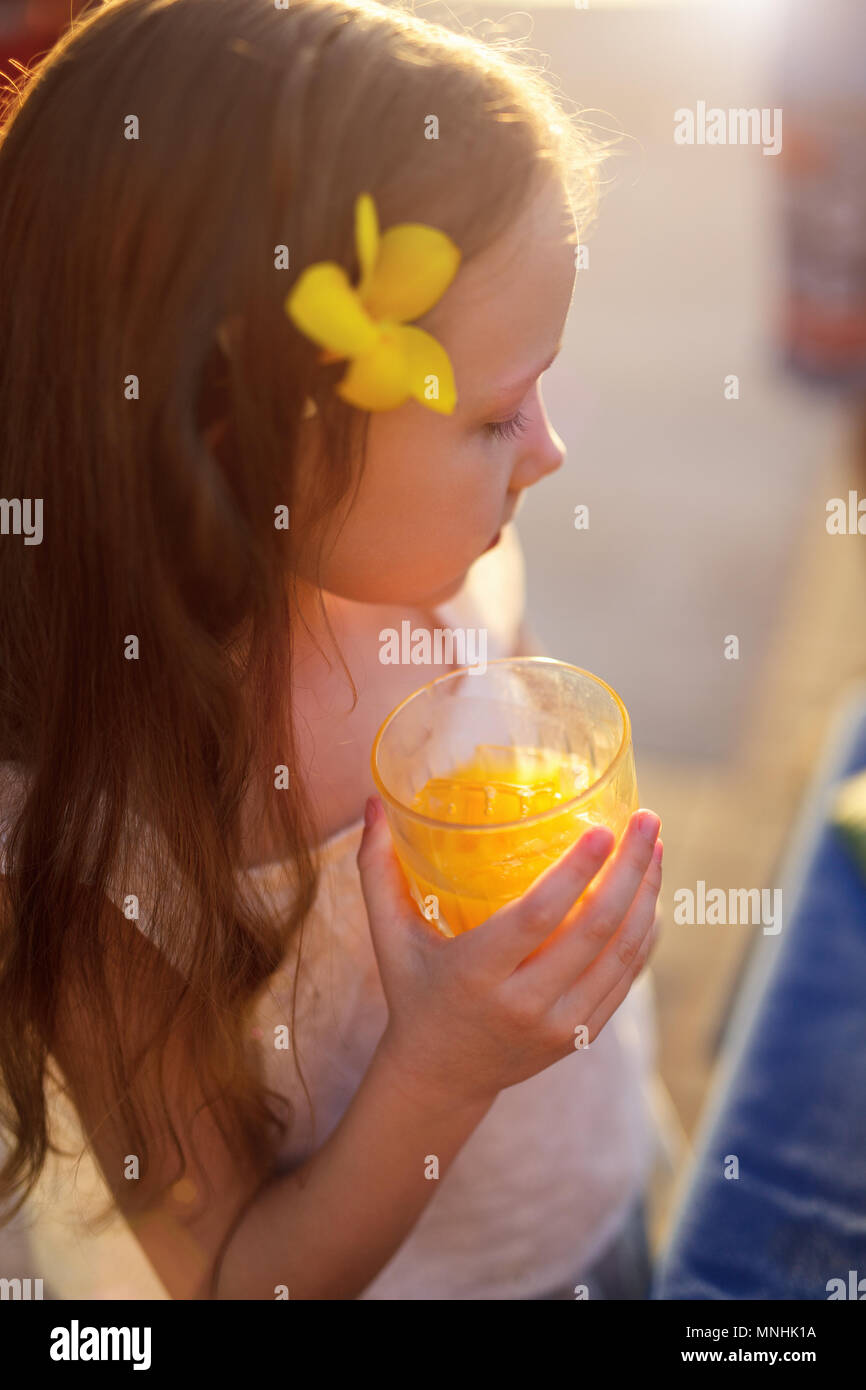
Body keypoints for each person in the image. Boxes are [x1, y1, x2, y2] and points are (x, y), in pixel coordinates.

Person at [0, 0, 665, 1300]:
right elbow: (242, 1274)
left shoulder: (452, 569)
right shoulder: (99, 841)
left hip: (587, 1205)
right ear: (242, 431)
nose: (549, 449)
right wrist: (445, 1063)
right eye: (490, 416)